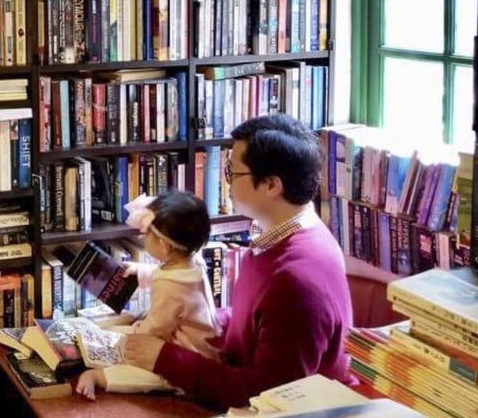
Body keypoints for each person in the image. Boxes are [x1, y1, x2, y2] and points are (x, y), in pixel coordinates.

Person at [119, 113, 353, 411]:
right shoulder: (279, 234)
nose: (225, 180)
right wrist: (201, 317)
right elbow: (257, 319)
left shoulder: (297, 279)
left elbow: (268, 396)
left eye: (233, 171)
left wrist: (164, 358)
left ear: (271, 185)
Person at [76, 191, 220, 400]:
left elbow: (156, 327)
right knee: (118, 330)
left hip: (185, 355)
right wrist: (140, 270)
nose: (143, 238)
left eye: (146, 235)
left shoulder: (169, 286)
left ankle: (99, 377)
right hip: (202, 345)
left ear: (164, 245)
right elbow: (163, 276)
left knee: (146, 374)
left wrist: (131, 337)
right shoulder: (192, 262)